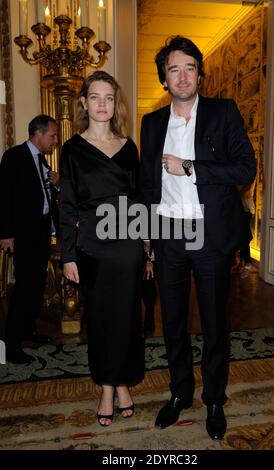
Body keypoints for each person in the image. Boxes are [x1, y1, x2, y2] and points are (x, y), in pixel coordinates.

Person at [140, 36, 256, 440]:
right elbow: (147, 184)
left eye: (190, 67)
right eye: (174, 69)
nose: (183, 76)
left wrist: (192, 167)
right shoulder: (152, 123)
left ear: (200, 74)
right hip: (169, 232)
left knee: (213, 322)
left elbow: (246, 168)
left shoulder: (223, 113)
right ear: (165, 79)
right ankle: (179, 394)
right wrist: (147, 235)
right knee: (171, 321)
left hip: (210, 233)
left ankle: (214, 399)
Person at [59, 71, 144, 427]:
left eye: (109, 97)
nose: (102, 104)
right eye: (95, 97)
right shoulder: (72, 149)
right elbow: (66, 205)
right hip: (92, 246)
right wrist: (68, 254)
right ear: (84, 102)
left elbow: (140, 200)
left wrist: (147, 244)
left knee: (126, 320)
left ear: (116, 102)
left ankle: (121, 382)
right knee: (101, 320)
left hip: (127, 247)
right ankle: (107, 389)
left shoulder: (129, 147)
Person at [0, 114, 59, 364]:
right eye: (53, 135)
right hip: (23, 235)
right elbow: (3, 196)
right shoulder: (14, 157)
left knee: (36, 286)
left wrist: (56, 183)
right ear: (39, 133)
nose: (55, 141)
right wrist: (5, 233)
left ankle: (28, 330)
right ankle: (11, 345)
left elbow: (43, 196)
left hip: (41, 233)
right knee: (24, 288)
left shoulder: (42, 161)